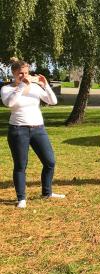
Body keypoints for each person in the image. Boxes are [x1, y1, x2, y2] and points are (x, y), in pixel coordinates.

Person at [1, 57, 63, 208]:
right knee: (21, 165)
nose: (24, 76)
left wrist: (45, 85)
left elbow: (53, 101)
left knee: (50, 161)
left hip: (38, 129)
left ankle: (47, 192)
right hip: (18, 130)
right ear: (14, 73)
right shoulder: (7, 89)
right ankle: (21, 198)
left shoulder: (35, 88)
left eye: (26, 73)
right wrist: (22, 85)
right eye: (20, 73)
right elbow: (9, 103)